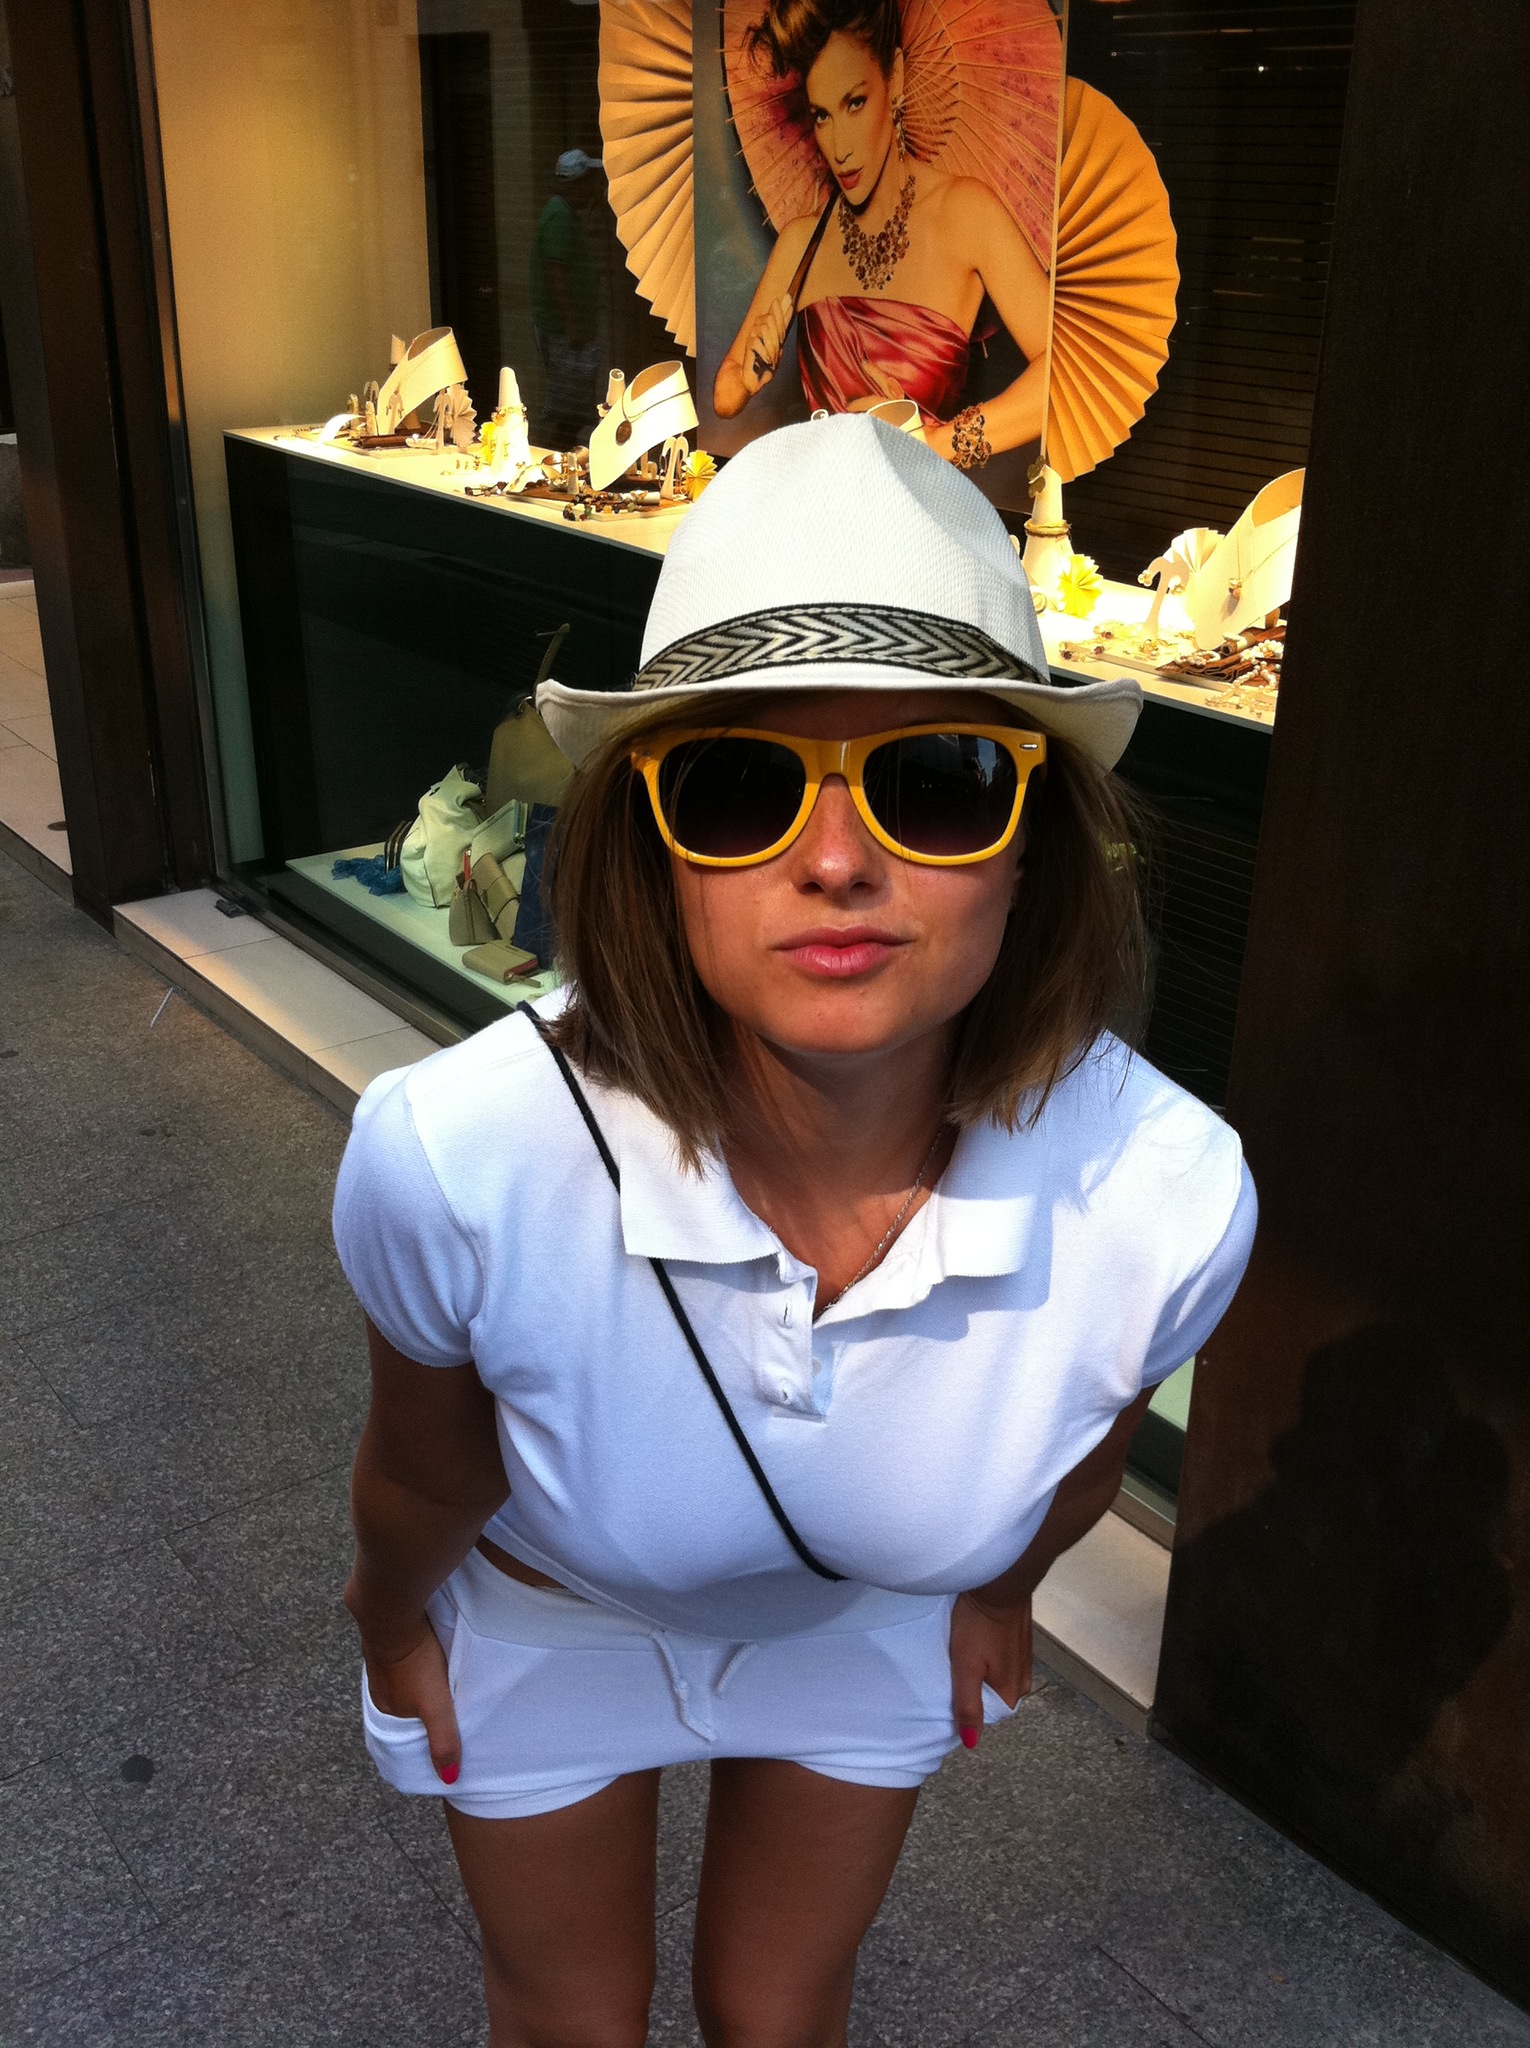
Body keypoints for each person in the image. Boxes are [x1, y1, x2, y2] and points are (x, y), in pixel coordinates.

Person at [334, 415, 1256, 2046]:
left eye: (938, 782)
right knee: (570, 2020)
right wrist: (389, 1612)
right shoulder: (460, 1154)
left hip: (859, 1620)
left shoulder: (1161, 1195)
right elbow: (427, 1466)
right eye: (739, 785)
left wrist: (999, 1593)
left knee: (781, 2013)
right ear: (653, 850)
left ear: (1033, 842)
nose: (834, 860)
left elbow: (1078, 1457)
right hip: (552, 1617)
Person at [712, 0, 1052, 474]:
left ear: (897, 79)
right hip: (820, 502)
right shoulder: (802, 241)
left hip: (916, 508)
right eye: (822, 115)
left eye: (855, 103)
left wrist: (936, 443)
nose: (839, 148)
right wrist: (749, 374)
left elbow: (1060, 375)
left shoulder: (968, 213)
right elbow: (725, 396)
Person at [531, 147, 604, 447]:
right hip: (562, 331)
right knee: (569, 411)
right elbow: (555, 272)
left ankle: (563, 455)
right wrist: (572, 323)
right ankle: (557, 457)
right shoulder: (559, 215)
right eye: (590, 181)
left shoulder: (564, 213)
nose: (594, 187)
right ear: (577, 183)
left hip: (566, 329)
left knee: (573, 409)